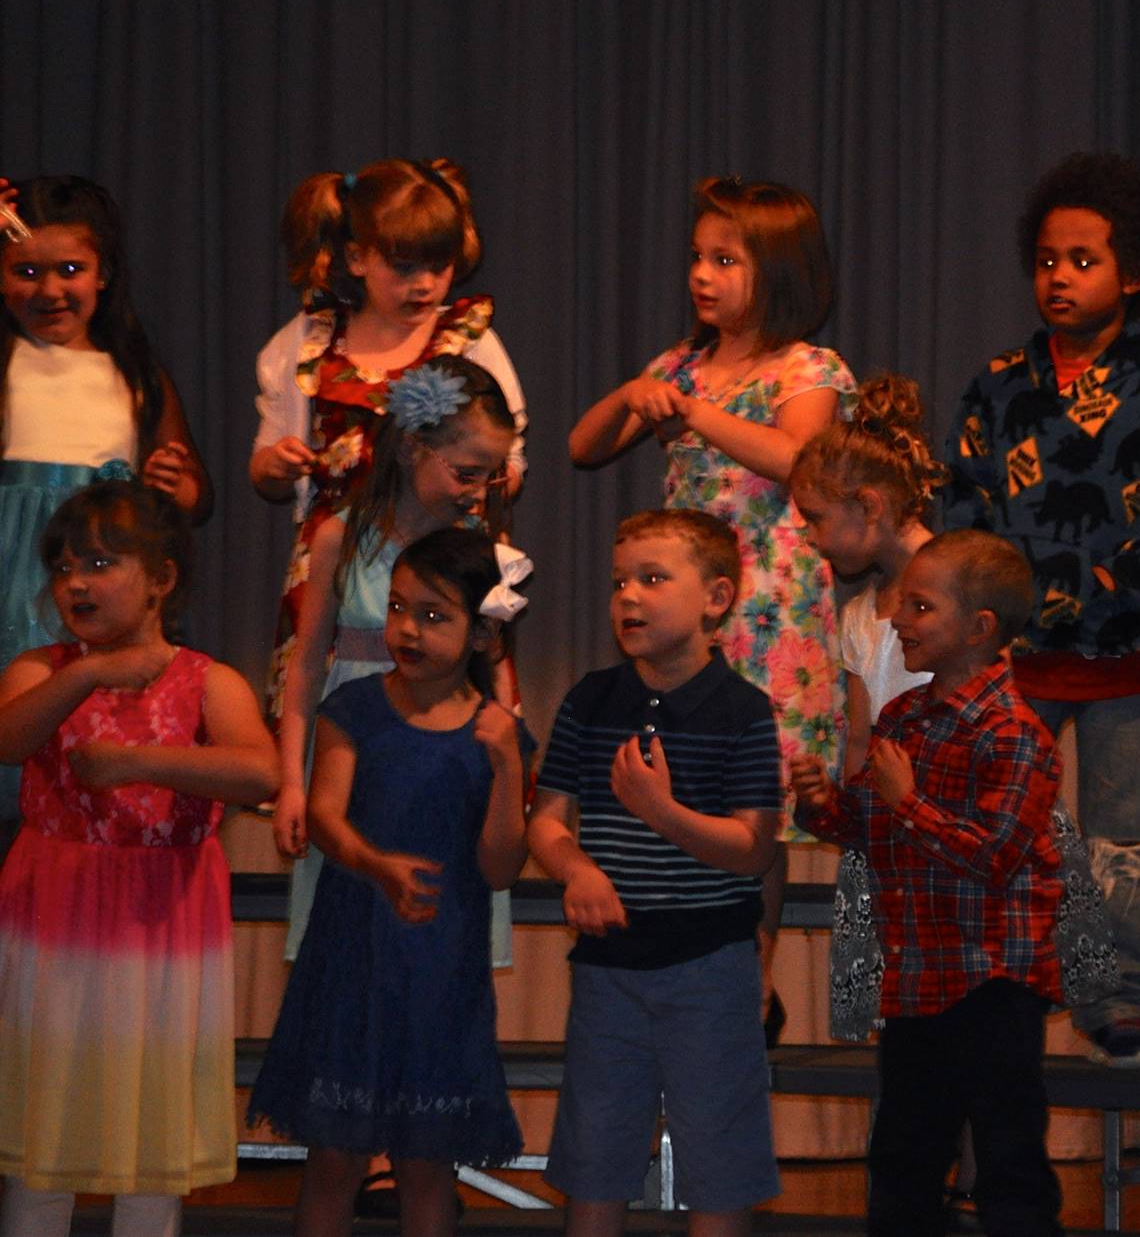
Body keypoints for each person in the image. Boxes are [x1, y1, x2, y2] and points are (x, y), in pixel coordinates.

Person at [941, 153, 1140, 1066]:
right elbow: (963, 508)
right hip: (1013, 660)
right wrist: (984, 614)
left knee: (1128, 843)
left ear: (1132, 274)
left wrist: (1119, 586)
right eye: (1045, 259)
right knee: (1004, 830)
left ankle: (1116, 1001)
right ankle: (1001, 990)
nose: (1058, 276)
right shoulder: (997, 387)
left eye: (1082, 259)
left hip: (1127, 656)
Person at [569, 176, 853, 1038]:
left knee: (753, 798)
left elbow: (797, 455)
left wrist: (692, 409)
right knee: (685, 788)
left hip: (769, 611)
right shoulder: (678, 363)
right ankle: (686, 964)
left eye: (725, 259)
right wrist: (634, 394)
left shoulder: (810, 368)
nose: (703, 274)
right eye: (698, 257)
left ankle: (749, 976)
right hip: (688, 613)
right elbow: (584, 447)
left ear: (781, 271)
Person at [0, 481, 277, 1236]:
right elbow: (8, 737)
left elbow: (261, 771)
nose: (75, 582)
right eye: (61, 567)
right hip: (56, 921)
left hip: (161, 928)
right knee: (41, 1139)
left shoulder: (207, 679)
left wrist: (139, 761)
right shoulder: (42, 668)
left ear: (161, 577)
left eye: (98, 561)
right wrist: (86, 673)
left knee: (150, 1136)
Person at [247, 527, 532, 1237]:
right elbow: (325, 814)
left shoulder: (498, 734)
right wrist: (379, 865)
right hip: (354, 958)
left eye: (435, 615)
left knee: (427, 1164)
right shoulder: (356, 710)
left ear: (482, 635)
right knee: (335, 1159)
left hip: (440, 970)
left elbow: (500, 865)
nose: (408, 628)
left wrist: (505, 767)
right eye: (401, 607)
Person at [793, 529, 1066, 1237]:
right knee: (903, 1158)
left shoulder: (1015, 733)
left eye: (920, 606)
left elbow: (993, 856)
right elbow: (869, 827)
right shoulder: (903, 717)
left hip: (992, 982)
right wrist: (821, 800)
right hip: (917, 979)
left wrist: (908, 800)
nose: (898, 621)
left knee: (1009, 1159)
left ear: (979, 629)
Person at [528, 510, 782, 1237]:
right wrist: (577, 870)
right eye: (618, 582)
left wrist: (659, 810)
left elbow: (753, 847)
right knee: (596, 1159)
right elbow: (545, 821)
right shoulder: (591, 699)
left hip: (710, 968)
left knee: (720, 1163)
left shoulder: (743, 711)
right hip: (609, 968)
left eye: (652, 578)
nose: (628, 597)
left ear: (717, 597)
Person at [250, 157, 528, 725]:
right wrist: (277, 465)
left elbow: (511, 457)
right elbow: (265, 462)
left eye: (438, 265)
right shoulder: (309, 344)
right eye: (404, 267)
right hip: (341, 560)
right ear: (357, 258)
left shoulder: (468, 342)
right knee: (330, 691)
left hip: (441, 557)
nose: (424, 283)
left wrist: (471, 482)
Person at [271, 357, 519, 963]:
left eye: (490, 476)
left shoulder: (487, 552)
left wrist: (506, 753)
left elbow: (498, 668)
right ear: (413, 447)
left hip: (444, 753)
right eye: (466, 472)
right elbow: (305, 667)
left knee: (436, 919)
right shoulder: (341, 536)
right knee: (352, 930)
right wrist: (291, 785)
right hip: (354, 755)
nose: (477, 490)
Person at [0, 175, 213, 844]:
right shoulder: (6, 363)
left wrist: (172, 484)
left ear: (103, 273)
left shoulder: (136, 375)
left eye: (70, 269)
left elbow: (191, 495)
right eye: (25, 271)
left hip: (106, 590)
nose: (49, 289)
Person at [788, 372, 939, 1041]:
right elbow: (858, 738)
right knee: (903, 1017)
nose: (814, 539)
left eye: (818, 519)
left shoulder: (956, 581)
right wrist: (837, 799)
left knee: (954, 1006)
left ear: (869, 506)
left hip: (945, 829)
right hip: (887, 833)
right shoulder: (857, 613)